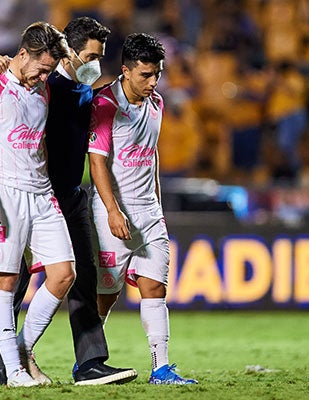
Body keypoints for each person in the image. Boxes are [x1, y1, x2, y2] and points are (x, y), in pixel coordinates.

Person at [0, 16, 138, 386]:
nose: (96, 64)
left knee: (78, 275)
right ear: (70, 54)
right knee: (12, 282)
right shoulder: (47, 84)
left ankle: (88, 362)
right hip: (21, 191)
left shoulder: (82, 91)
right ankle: (2, 367)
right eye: (91, 55)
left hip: (64, 195)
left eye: (100, 56)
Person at [0, 21, 75, 388]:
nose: (44, 76)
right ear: (23, 54)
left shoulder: (41, 88)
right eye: (41, 68)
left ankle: (21, 352)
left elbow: (38, 140)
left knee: (64, 274)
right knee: (6, 283)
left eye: (49, 70)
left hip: (41, 193)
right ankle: (11, 371)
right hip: (6, 192)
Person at [88, 33, 198, 385]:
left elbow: (151, 155)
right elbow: (97, 162)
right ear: (125, 71)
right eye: (145, 75)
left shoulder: (157, 104)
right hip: (112, 213)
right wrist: (112, 210)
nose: (153, 82)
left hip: (149, 213)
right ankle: (87, 359)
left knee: (154, 288)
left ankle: (160, 367)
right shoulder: (104, 104)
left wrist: (158, 204)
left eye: (157, 75)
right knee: (106, 294)